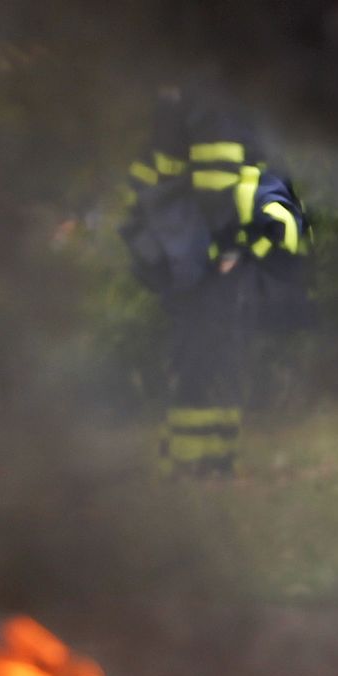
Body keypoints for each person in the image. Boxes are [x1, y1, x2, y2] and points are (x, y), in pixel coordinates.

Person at [120, 87, 311, 478]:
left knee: (205, 358)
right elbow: (217, 179)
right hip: (204, 257)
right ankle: (201, 461)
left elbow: (161, 180)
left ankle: (204, 460)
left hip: (188, 255)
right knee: (209, 358)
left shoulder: (185, 101)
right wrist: (229, 248)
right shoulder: (214, 98)